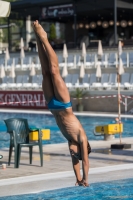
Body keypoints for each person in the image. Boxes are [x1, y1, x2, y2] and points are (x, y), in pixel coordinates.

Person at [32, 20, 91, 187]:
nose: (72, 154)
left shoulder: (70, 142)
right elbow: (84, 162)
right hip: (64, 104)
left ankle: (37, 38)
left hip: (52, 105)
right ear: (81, 150)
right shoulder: (81, 138)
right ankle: (44, 38)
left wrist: (78, 179)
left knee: (45, 73)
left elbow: (75, 164)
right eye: (75, 154)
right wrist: (86, 179)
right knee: (53, 71)